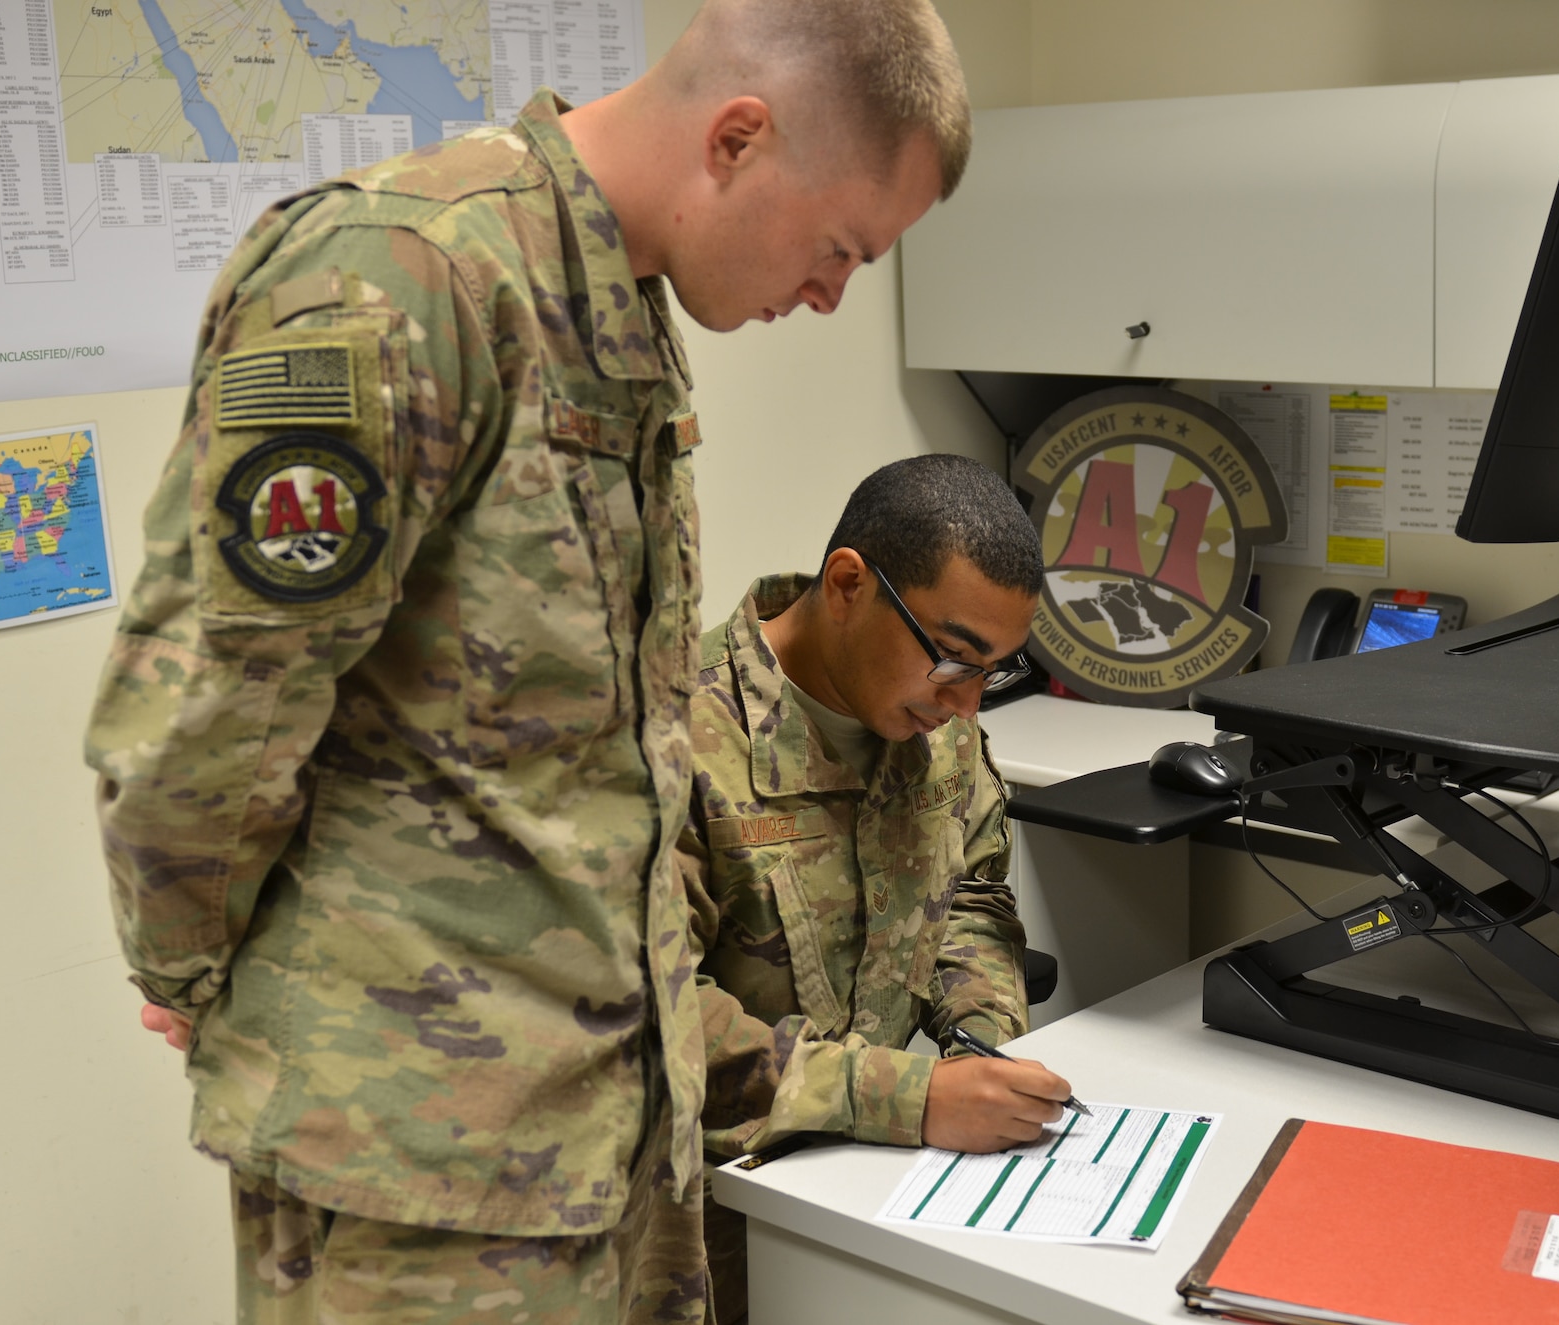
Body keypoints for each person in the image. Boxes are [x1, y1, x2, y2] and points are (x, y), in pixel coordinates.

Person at [92, 1, 970, 1319]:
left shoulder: (619, 310)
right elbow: (216, 702)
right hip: (417, 1175)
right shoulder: (395, 278)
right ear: (740, 136)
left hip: (610, 1127)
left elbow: (590, 773)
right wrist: (194, 962)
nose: (832, 292)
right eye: (839, 246)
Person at [681, 454, 1072, 1323]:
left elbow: (968, 897)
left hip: (870, 1204)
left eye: (995, 670)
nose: (966, 705)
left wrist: (982, 1048)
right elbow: (652, 1015)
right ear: (849, 583)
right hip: (703, 1240)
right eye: (952, 660)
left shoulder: (938, 731)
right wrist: (911, 1096)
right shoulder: (678, 733)